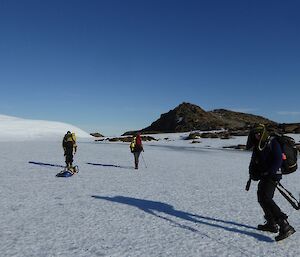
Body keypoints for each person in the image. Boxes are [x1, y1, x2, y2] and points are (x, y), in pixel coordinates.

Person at [246, 124, 295, 241]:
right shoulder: (259, 145)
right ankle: (271, 223)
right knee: (261, 197)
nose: (257, 135)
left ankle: (284, 225)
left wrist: (270, 173)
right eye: (255, 134)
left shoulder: (272, 141)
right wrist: (254, 173)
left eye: (259, 133)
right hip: (265, 174)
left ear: (263, 133)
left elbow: (278, 158)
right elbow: (256, 161)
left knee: (266, 198)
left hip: (273, 174)